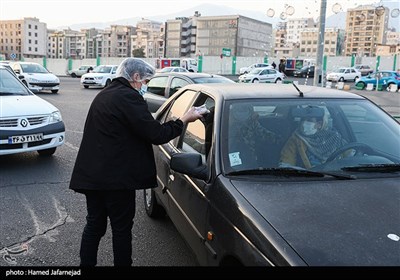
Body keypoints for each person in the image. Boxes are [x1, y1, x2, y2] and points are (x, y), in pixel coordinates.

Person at [69, 57, 204, 266]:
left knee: (94, 225)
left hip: (93, 177)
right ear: (135, 77)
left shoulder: (105, 94)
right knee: (121, 229)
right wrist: (184, 120)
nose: (145, 87)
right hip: (116, 181)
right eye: (146, 82)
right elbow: (156, 134)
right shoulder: (128, 97)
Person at [279, 107, 348, 169]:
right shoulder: (296, 138)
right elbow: (286, 164)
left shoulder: (335, 137)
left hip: (336, 176)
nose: (304, 123)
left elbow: (351, 156)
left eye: (309, 120)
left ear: (319, 124)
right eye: (303, 120)